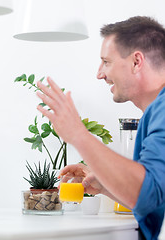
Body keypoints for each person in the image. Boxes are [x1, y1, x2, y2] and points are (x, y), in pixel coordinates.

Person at [35, 16, 165, 240]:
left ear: (136, 62)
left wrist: (78, 135)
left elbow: (148, 193)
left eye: (106, 62)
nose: (100, 73)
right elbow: (155, 199)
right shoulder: (153, 113)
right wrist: (106, 186)